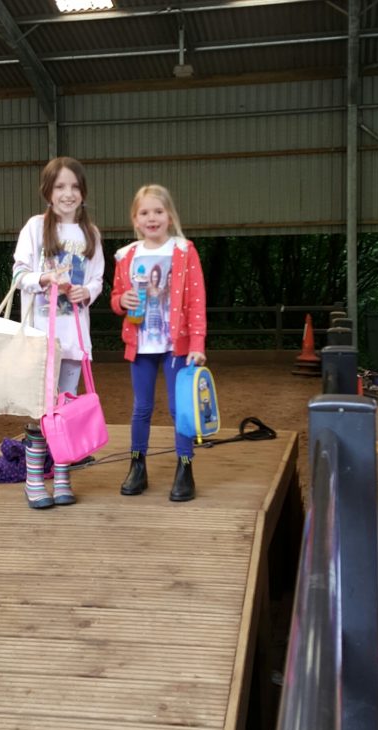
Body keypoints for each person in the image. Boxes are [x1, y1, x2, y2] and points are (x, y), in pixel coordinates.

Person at [12, 156, 104, 509]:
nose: (68, 194)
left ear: (83, 192)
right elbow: (19, 274)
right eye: (60, 187)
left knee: (65, 410)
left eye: (75, 187)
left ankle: (62, 477)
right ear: (48, 192)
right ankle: (35, 480)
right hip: (41, 341)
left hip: (74, 340)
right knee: (40, 411)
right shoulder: (35, 228)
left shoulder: (91, 234)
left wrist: (87, 292)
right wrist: (44, 278)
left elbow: (97, 279)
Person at [110, 184, 207, 502]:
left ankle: (185, 467)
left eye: (158, 211)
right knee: (141, 408)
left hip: (175, 346)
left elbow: (196, 300)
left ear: (170, 216)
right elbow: (116, 297)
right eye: (144, 213)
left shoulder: (184, 251)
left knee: (180, 409)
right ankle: (137, 465)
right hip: (141, 345)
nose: (152, 218)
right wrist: (121, 301)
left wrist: (197, 343)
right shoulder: (126, 256)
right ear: (135, 220)